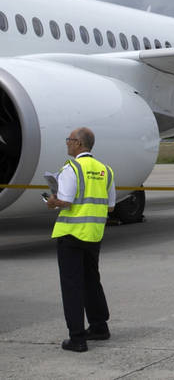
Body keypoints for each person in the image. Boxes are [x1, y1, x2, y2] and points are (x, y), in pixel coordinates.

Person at [45, 127, 115, 352]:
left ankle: (77, 338)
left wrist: (52, 201)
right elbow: (111, 205)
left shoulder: (71, 167)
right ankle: (99, 326)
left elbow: (65, 200)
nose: (67, 143)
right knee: (91, 280)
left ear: (78, 144)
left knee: (72, 286)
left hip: (71, 233)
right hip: (93, 234)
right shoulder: (106, 170)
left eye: (69, 139)